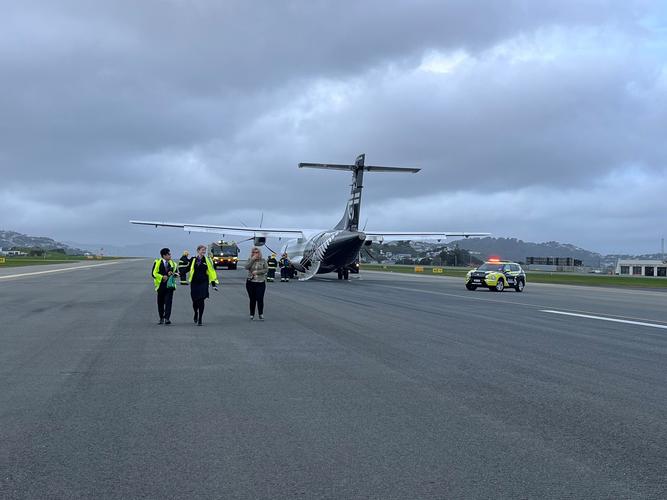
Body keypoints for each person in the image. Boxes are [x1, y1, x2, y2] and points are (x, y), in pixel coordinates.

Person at [188, 244, 219, 326]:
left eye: (205, 250)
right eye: (202, 250)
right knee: (195, 301)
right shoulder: (193, 259)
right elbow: (188, 268)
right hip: (194, 282)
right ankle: (196, 313)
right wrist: (180, 273)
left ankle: (200, 319)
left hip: (203, 282)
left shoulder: (208, 260)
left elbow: (211, 272)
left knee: (201, 300)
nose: (204, 252)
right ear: (198, 251)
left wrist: (214, 284)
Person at [152, 248, 178, 325]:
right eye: (169, 254)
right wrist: (162, 277)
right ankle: (161, 318)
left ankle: (167, 318)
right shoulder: (157, 262)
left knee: (168, 302)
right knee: (160, 303)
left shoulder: (173, 264)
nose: (170, 256)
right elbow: (153, 274)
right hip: (160, 286)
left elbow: (177, 274)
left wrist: (173, 274)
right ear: (164, 255)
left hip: (170, 286)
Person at [245, 247, 268, 320]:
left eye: (257, 252)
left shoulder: (263, 260)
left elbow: (266, 269)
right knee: (252, 299)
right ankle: (252, 314)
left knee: (260, 298)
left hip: (260, 282)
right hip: (251, 282)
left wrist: (258, 272)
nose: (255, 254)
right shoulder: (250, 260)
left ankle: (260, 313)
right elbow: (246, 267)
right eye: (254, 252)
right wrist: (252, 260)